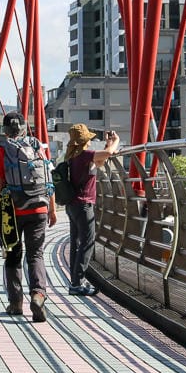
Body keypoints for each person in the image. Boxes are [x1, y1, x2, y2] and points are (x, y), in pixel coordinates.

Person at [0, 112, 56, 322]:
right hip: (39, 209)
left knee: (13, 256)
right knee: (36, 255)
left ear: (5, 131)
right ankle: (38, 294)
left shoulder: (2, 151)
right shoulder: (37, 146)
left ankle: (16, 303)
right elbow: (48, 180)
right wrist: (52, 209)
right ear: (24, 129)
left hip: (13, 212)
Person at [62, 124, 120, 296]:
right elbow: (108, 155)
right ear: (85, 140)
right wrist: (115, 141)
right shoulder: (84, 155)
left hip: (72, 205)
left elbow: (100, 160)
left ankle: (75, 281)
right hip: (83, 204)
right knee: (87, 242)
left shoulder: (73, 157)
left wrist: (108, 145)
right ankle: (77, 283)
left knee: (76, 243)